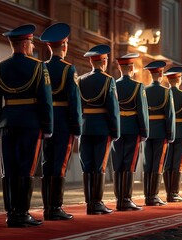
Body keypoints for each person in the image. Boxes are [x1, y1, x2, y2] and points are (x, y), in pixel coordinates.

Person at [0, 24, 53, 227]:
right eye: (32, 42)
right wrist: (48, 126)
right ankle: (22, 212)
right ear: (25, 44)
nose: (33, 46)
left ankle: (10, 214)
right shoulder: (38, 67)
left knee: (9, 168)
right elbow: (45, 100)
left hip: (7, 124)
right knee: (26, 168)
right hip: (30, 124)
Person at [39, 23, 82, 220]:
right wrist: (77, 126)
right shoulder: (68, 69)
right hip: (64, 122)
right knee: (59, 164)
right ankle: (55, 208)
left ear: (49, 47)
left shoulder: (41, 68)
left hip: (45, 122)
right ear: (64, 46)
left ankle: (47, 206)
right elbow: (74, 100)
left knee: (46, 162)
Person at [78, 44, 120, 215]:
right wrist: (115, 131)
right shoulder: (108, 80)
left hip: (85, 127)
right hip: (102, 128)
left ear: (90, 61)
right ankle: (97, 203)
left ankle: (89, 203)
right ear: (104, 61)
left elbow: (77, 105)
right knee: (99, 166)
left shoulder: (80, 80)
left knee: (87, 166)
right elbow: (113, 108)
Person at [112, 53, 149, 211]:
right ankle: (126, 199)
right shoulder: (138, 86)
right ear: (131, 68)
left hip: (117, 128)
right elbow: (142, 111)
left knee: (117, 163)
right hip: (133, 129)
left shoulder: (112, 84)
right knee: (129, 164)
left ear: (120, 68)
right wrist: (144, 131)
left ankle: (118, 199)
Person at [143, 60, 175, 206]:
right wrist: (171, 134)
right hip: (161, 132)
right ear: (161, 74)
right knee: (158, 163)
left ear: (151, 74)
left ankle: (147, 195)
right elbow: (170, 115)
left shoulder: (143, 90)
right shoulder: (166, 92)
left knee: (147, 163)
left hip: (147, 131)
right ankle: (154, 196)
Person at [163, 66, 182, 202]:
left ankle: (168, 192)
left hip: (166, 132)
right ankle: (174, 193)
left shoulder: (164, 94)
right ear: (179, 79)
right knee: (177, 163)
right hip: (181, 132)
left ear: (169, 80)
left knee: (167, 162)